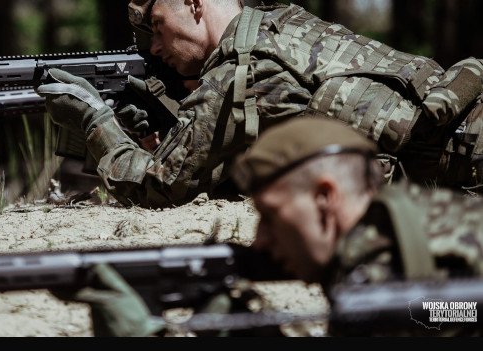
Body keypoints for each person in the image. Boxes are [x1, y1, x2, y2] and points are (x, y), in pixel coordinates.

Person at [37, 0, 483, 209]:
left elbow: (160, 184)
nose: (154, 48)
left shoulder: (237, 70)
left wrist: (95, 120)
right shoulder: (284, 21)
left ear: (195, 3)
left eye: (157, 27)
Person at [52, 117, 483, 336]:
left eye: (272, 217)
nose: (260, 239)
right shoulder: (425, 216)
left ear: (325, 198)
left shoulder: (381, 286)